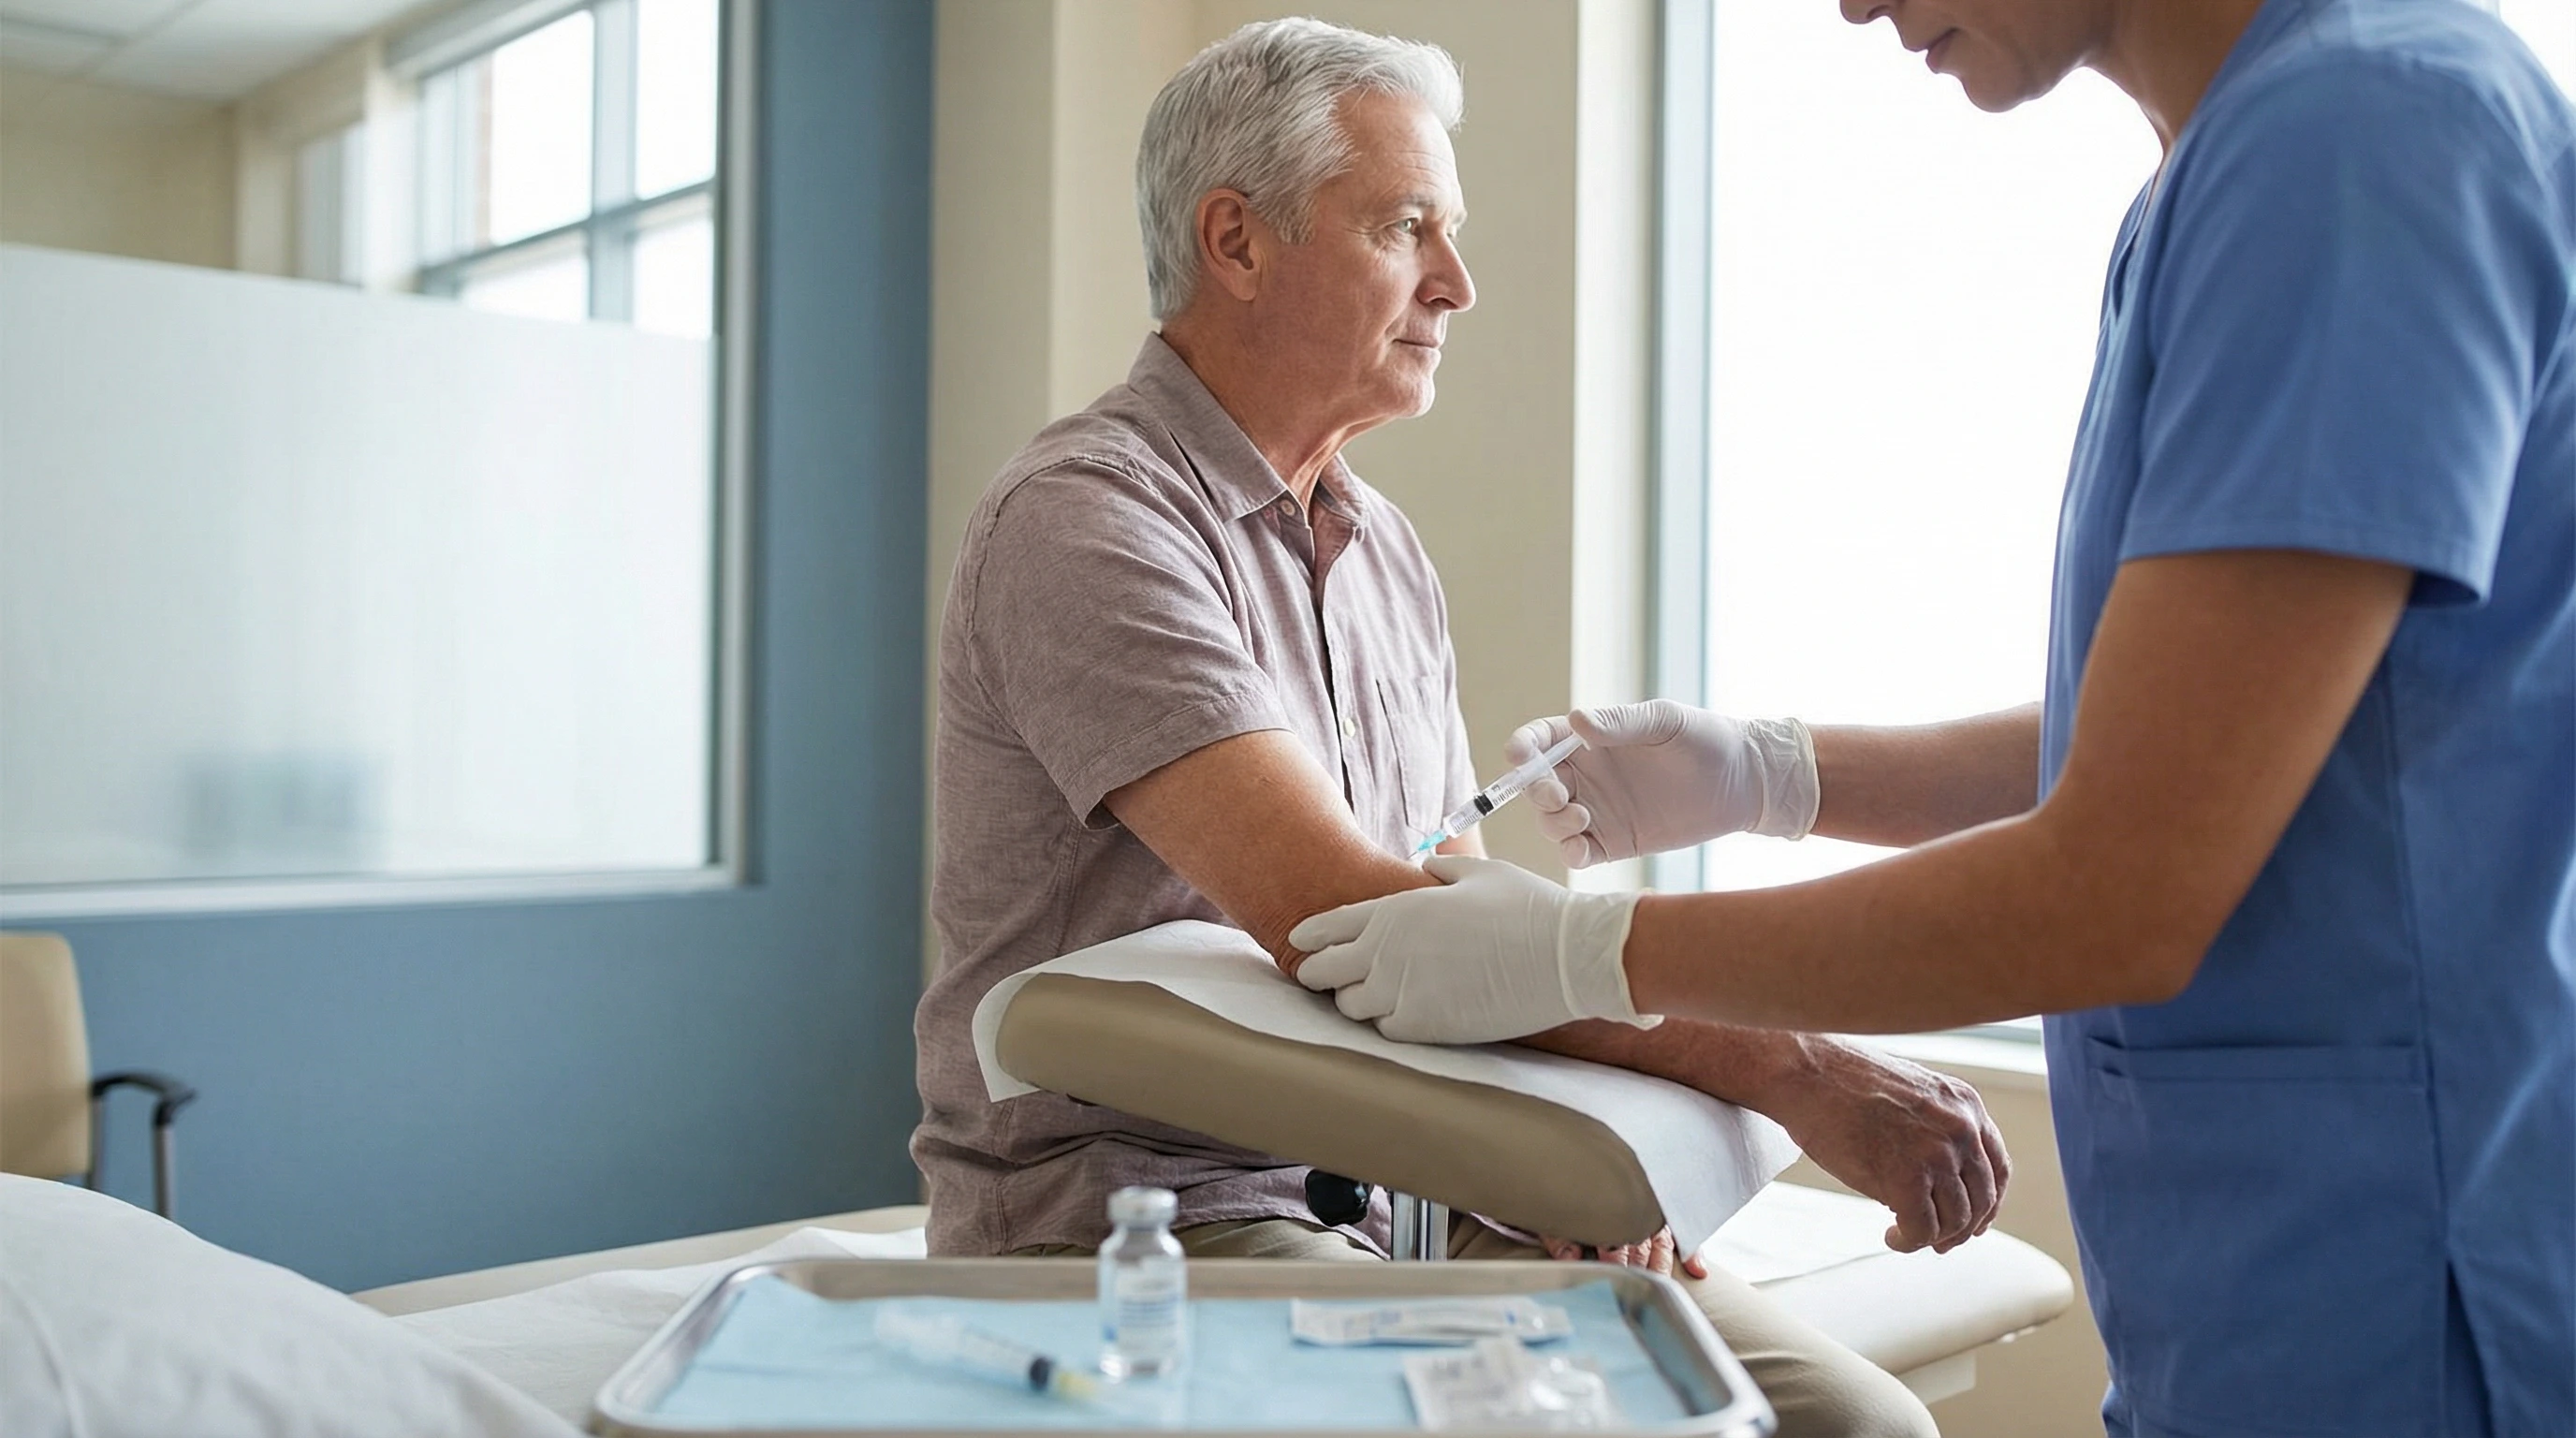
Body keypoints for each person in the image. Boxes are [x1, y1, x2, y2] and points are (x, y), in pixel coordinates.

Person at [1288, 2, 2574, 1435]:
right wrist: (1776, 775)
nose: (1847, 3)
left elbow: (2128, 883)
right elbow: (2190, 732)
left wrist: (1592, 952)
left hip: (2400, 1281)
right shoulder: (2228, 169)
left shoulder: (2357, 143)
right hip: (2260, 1275)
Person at [913, 17, 2005, 1436]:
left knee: (1852, 1425)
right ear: (1237, 243)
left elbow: (1452, 931)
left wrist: (1558, 1175)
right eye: (1407, 226)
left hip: (1408, 1188)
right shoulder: (1088, 522)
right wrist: (1790, 1069)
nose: (1458, 282)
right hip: (1151, 1220)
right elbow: (1345, 917)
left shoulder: (1384, 554)